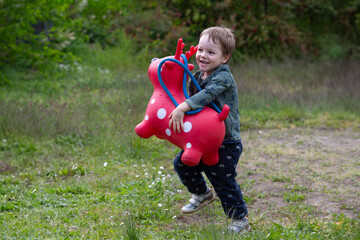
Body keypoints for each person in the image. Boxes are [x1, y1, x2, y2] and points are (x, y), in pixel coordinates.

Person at [168, 26, 249, 234]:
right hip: (202, 139)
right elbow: (187, 93)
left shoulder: (223, 77)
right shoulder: (198, 74)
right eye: (201, 50)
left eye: (211, 52)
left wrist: (184, 107)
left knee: (222, 179)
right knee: (182, 163)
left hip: (225, 141)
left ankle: (239, 218)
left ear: (225, 58)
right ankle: (202, 194)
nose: (203, 55)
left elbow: (207, 95)